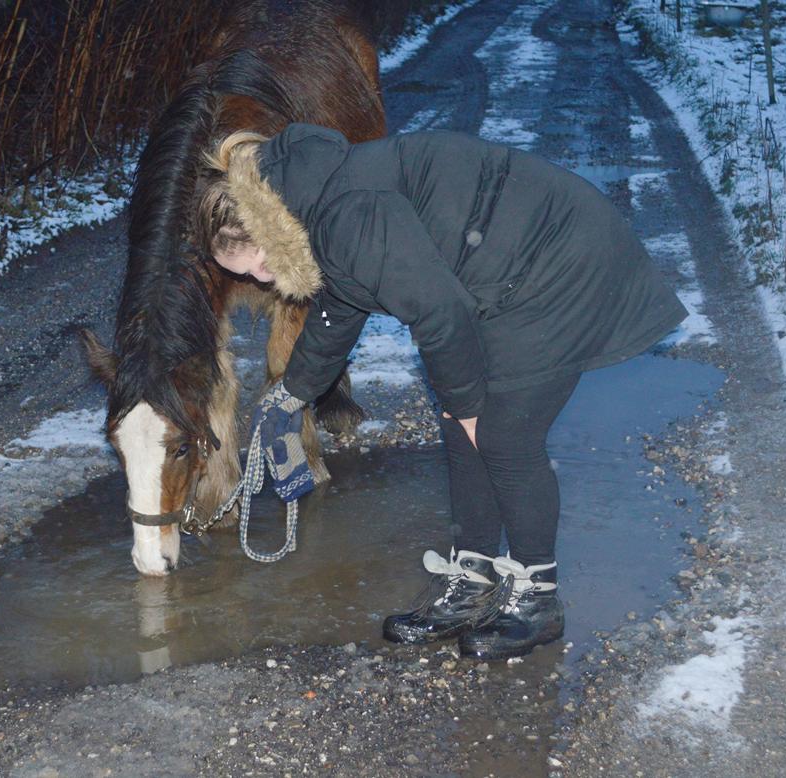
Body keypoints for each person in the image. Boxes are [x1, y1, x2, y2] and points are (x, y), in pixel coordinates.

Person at [197, 123, 688, 659]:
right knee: (461, 430)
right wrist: (291, 394)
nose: (266, 279)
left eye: (260, 265)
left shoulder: (347, 216)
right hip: (501, 276)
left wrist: (469, 406)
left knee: (502, 436)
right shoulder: (308, 204)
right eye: (252, 276)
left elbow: (439, 315)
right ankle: (471, 583)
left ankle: (538, 599)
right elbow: (340, 306)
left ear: (267, 228)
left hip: (563, 263)